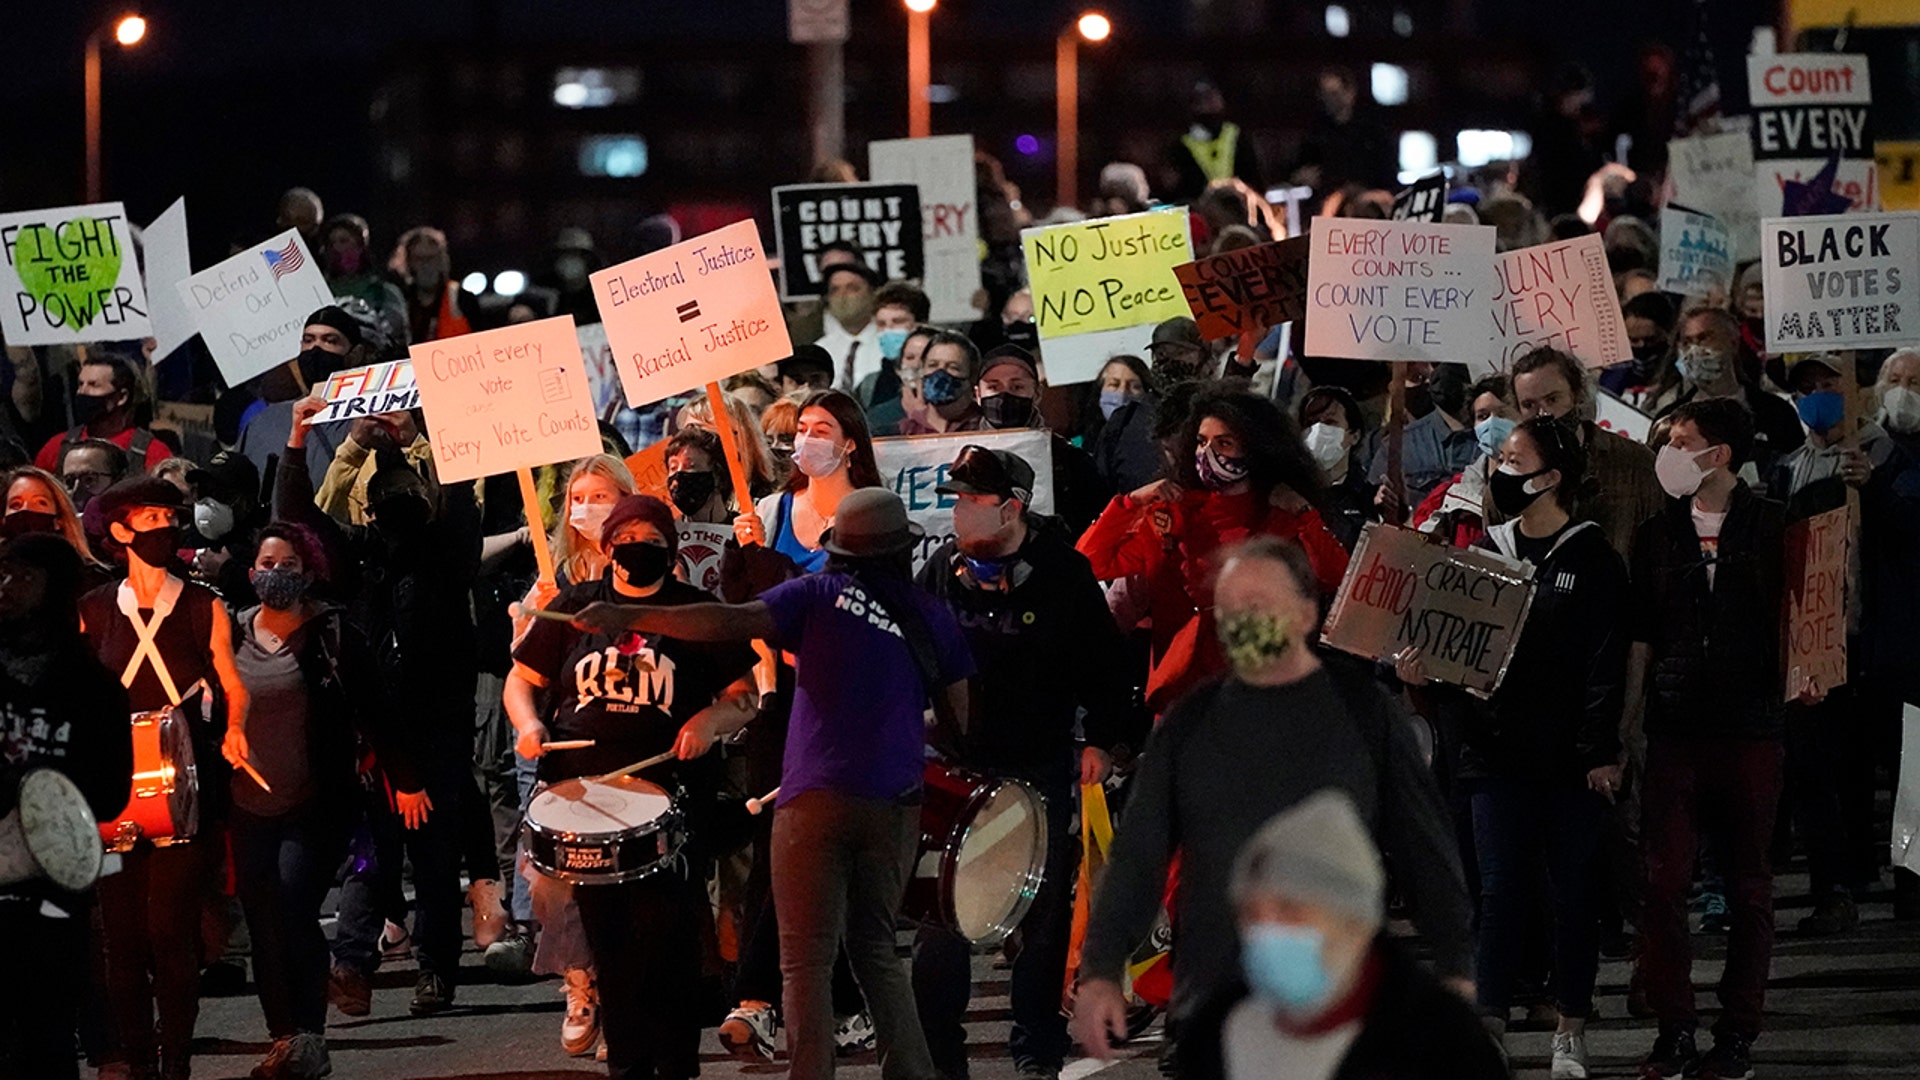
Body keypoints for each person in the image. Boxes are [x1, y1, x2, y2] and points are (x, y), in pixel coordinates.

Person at [571, 488, 971, 1080]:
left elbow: (726, 622)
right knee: (878, 951)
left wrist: (627, 615)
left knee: (804, 961)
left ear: (839, 549)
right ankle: (912, 1073)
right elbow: (961, 721)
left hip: (812, 799)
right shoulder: (930, 614)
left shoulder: (816, 594)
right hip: (895, 802)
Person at [1070, 538, 1473, 1052]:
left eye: (1263, 603)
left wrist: (1456, 962)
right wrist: (1101, 967)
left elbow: (1423, 844)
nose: (1247, 618)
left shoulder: (1364, 713)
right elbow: (1139, 853)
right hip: (1218, 1000)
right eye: (1234, 606)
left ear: (1307, 614)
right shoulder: (1189, 724)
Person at [1397, 417, 1627, 1079]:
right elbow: (1455, 654)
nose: (1500, 466)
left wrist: (1600, 749)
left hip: (1569, 759)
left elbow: (1603, 665)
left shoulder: (1592, 559)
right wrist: (1423, 670)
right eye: (1499, 455)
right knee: (1498, 893)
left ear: (1550, 477)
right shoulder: (1485, 554)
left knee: (1573, 894)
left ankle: (1570, 1030)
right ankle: (1489, 1027)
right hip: (1493, 756)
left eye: (1514, 456)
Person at [508, 495, 760, 1080]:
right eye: (629, 536)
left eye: (653, 537)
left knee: (666, 944)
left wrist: (708, 722)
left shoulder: (693, 610)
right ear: (607, 546)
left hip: (669, 801)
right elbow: (522, 681)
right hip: (586, 801)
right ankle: (627, 1064)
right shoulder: (577, 607)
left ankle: (673, 1064)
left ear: (671, 549)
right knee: (610, 946)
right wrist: (529, 724)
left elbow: (743, 696)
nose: (639, 546)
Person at [911, 446, 1131, 1080]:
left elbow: (1106, 671)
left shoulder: (1064, 573)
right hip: (957, 769)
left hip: (1037, 763)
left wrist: (1102, 741)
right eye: (954, 499)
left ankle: (1037, 1050)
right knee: (941, 916)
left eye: (972, 500)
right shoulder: (939, 574)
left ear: (1012, 507)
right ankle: (941, 1057)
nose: (958, 512)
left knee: (1038, 915)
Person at [279, 398, 480, 1018]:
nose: (398, 502)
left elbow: (461, 503)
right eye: (385, 494)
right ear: (369, 507)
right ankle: (352, 963)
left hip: (437, 728)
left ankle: (436, 970)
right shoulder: (357, 558)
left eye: (408, 491)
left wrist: (423, 438)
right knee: (370, 849)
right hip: (370, 731)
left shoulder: (448, 554)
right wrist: (301, 441)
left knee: (435, 853)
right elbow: (298, 520)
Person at [1627, 398, 1798, 1080]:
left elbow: (1805, 619)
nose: (1668, 448)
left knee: (1748, 885)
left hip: (1751, 727)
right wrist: (1628, 724)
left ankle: (1737, 1035)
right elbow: (1642, 633)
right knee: (1663, 884)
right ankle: (1675, 1027)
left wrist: (1803, 683)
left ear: (1719, 453)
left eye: (1682, 439)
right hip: (1675, 730)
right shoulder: (1656, 534)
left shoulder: (1775, 528)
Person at [228, 523, 429, 1080]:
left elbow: (377, 710)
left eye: (290, 564)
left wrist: (407, 779)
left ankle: (309, 1036)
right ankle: (282, 1036)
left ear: (309, 572)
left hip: (315, 799)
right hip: (245, 804)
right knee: (263, 919)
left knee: (293, 904)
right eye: (268, 563)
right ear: (251, 574)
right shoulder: (227, 634)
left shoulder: (333, 634)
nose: (277, 573)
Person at [80, 476, 251, 1080]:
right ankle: (138, 1062)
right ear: (121, 532)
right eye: (150, 518)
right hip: (110, 783)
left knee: (169, 931)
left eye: (170, 517)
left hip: (182, 782)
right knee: (120, 938)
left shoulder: (205, 604)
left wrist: (234, 728)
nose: (166, 527)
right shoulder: (94, 609)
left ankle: (176, 1060)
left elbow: (232, 683)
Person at [1175, 792, 1507, 1080]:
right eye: (1252, 915)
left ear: (1355, 922)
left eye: (1291, 911)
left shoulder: (1444, 1042)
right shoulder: (1214, 1035)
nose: (1268, 932)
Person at [1077, 386, 1349, 710]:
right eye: (1202, 441)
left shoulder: (1284, 518)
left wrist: (1305, 516)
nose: (1207, 452)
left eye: (1224, 443)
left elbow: (1338, 580)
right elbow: (1089, 562)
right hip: (1179, 699)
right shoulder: (1170, 514)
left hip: (1259, 699)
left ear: (1255, 449)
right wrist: (1129, 503)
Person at [0, 534, 132, 1080]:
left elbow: (111, 792)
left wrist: (45, 793)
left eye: (25, 577)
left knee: (45, 1030)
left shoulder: (91, 688)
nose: (7, 586)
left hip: (48, 883)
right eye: (4, 573)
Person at [1764, 354, 1877, 936]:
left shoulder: (1889, 455)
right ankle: (1833, 885)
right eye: (1804, 387)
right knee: (1814, 766)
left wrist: (1876, 490)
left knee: (1863, 763)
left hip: (1876, 638)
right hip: (1815, 637)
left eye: (1828, 381)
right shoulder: (1788, 468)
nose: (1816, 394)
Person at [1511, 347, 1665, 562]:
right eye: (1529, 405)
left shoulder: (1634, 462)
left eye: (1553, 399)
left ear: (1577, 394)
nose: (1543, 413)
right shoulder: (1510, 478)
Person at [968, 345, 1111, 533]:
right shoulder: (958, 456)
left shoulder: (1070, 460)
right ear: (978, 394)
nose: (1004, 396)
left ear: (1036, 393)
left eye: (1017, 387)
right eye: (993, 387)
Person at [737, 391, 882, 575]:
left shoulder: (872, 516)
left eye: (821, 432)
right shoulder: (771, 510)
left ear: (850, 444)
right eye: (801, 430)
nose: (807, 440)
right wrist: (749, 551)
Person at [1653, 308, 1803, 475]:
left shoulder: (1776, 412)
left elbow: (1796, 470)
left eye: (1704, 338)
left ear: (1733, 342)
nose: (1694, 350)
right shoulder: (1669, 420)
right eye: (1687, 342)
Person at [1409, 375, 1517, 549]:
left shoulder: (1544, 490)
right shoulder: (1449, 496)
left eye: (1503, 414)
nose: (1492, 423)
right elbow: (1421, 549)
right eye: (1482, 416)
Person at [33, 353, 171, 474]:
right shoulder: (57, 448)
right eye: (81, 384)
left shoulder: (152, 453)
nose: (82, 392)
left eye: (93, 385)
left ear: (122, 397)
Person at [316, 408, 436, 527]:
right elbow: (320, 525)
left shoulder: (432, 454)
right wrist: (353, 448)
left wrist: (415, 442)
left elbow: (447, 500)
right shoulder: (356, 474)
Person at [1291, 66, 1395, 198]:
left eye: (1334, 93)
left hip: (1363, 205)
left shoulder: (1372, 133)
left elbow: (1387, 175)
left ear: (1350, 93)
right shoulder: (1316, 134)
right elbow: (1302, 169)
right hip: (1327, 204)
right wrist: (1302, 177)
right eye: (1325, 94)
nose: (1329, 100)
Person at [1298, 386, 1377, 550]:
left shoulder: (1368, 498)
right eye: (1311, 423)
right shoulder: (1292, 494)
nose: (1318, 431)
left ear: (1354, 435)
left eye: (1330, 422)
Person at [317, 214, 408, 348]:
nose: (337, 248)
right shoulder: (318, 293)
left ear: (360, 246)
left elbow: (394, 335)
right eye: (331, 244)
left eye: (344, 241)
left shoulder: (384, 293)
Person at [2, 463, 107, 571]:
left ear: (59, 519)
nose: (26, 509)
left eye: (40, 502)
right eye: (15, 504)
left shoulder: (88, 575)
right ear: (3, 519)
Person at [389, 226, 476, 343]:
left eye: (432, 258)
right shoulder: (400, 301)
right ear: (408, 263)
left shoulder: (462, 299)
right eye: (419, 259)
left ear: (442, 260)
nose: (427, 265)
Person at [853, 283, 930, 415]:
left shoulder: (940, 377)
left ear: (920, 324)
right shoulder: (869, 386)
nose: (888, 330)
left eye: (898, 322)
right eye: (881, 324)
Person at [897, 331, 985, 435]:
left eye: (953, 367)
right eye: (932, 365)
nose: (940, 372)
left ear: (972, 376)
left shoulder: (986, 426)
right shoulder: (904, 431)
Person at [813, 263, 884, 391]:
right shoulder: (821, 350)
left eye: (853, 288)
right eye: (835, 290)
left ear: (873, 294)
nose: (843, 296)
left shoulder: (888, 343)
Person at [868, 326, 939, 436]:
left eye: (925, 357)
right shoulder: (877, 417)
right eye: (910, 358)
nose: (916, 365)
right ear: (898, 368)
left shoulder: (952, 413)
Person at [666, 427, 736, 524]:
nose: (679, 475)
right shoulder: (668, 534)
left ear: (718, 476)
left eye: (690, 466)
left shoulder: (745, 531)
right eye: (673, 467)